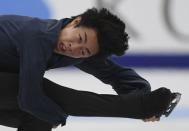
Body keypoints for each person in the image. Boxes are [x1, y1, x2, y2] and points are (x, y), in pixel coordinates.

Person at [0, 8, 180, 131]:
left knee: (40, 117)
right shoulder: (38, 36)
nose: (73, 47)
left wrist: (141, 95)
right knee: (45, 99)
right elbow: (29, 98)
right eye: (80, 37)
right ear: (75, 22)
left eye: (84, 51)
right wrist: (141, 107)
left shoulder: (76, 51)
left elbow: (117, 75)